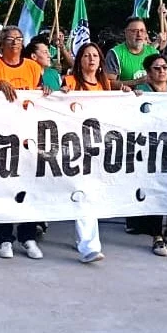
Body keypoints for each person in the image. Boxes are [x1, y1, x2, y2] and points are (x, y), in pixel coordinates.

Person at [0, 26, 47, 259]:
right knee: (2, 189)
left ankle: (28, 236)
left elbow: (40, 95)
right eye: (10, 39)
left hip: (29, 138)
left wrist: (46, 91)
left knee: (30, 188)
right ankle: (5, 238)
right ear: (1, 42)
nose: (15, 43)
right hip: (2, 139)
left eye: (19, 39)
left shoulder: (33, 67)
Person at [57, 42, 114, 264]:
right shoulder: (70, 82)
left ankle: (86, 242)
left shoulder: (104, 84)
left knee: (88, 194)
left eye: (95, 56)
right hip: (73, 144)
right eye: (86, 55)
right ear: (79, 60)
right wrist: (61, 95)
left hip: (96, 146)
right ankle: (88, 246)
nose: (91, 59)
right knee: (81, 192)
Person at [131, 53, 167, 256]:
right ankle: (156, 236)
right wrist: (133, 97)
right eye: (157, 68)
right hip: (151, 148)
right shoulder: (143, 91)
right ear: (148, 72)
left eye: (165, 67)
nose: (162, 71)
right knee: (155, 190)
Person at [104, 13, 167, 91]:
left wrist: (163, 17)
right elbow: (108, 83)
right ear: (126, 33)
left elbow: (165, 39)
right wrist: (136, 82)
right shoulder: (115, 54)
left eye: (142, 30)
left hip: (152, 97)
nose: (139, 34)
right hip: (127, 98)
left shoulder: (154, 53)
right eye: (134, 31)